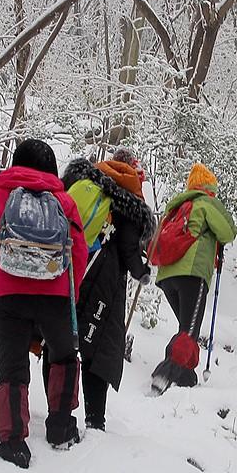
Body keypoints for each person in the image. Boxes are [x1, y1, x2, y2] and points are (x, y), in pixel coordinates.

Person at [0, 139, 87, 467]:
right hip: (55, 294)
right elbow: (77, 252)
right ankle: (61, 427)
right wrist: (70, 295)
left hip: (7, 295)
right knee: (64, 356)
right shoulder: (64, 202)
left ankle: (13, 441)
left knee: (13, 364)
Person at [61, 147, 155, 431]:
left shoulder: (86, 181)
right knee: (98, 348)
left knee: (66, 341)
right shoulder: (126, 198)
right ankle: (95, 420)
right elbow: (128, 249)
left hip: (75, 268)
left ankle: (60, 410)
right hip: (106, 280)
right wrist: (142, 272)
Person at [151, 162, 236, 394]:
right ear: (209, 186)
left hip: (167, 275)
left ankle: (186, 376)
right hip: (193, 274)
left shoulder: (177, 207)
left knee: (186, 328)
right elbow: (229, 231)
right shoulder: (207, 202)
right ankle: (166, 372)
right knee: (189, 331)